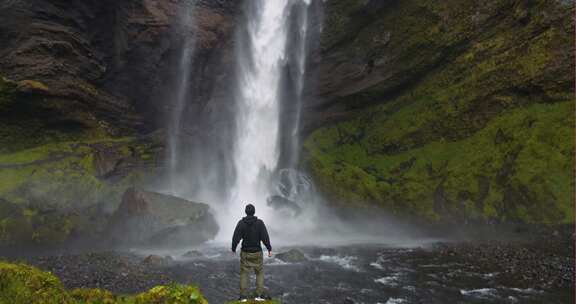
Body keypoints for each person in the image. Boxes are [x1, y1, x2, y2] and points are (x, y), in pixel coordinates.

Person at [232, 203, 272, 302]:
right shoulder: (260, 223)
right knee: (259, 273)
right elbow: (265, 237)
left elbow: (235, 237)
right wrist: (269, 248)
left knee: (244, 273)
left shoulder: (241, 223)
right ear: (254, 212)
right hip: (257, 252)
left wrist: (233, 248)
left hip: (245, 253)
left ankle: (243, 297)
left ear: (246, 212)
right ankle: (259, 295)